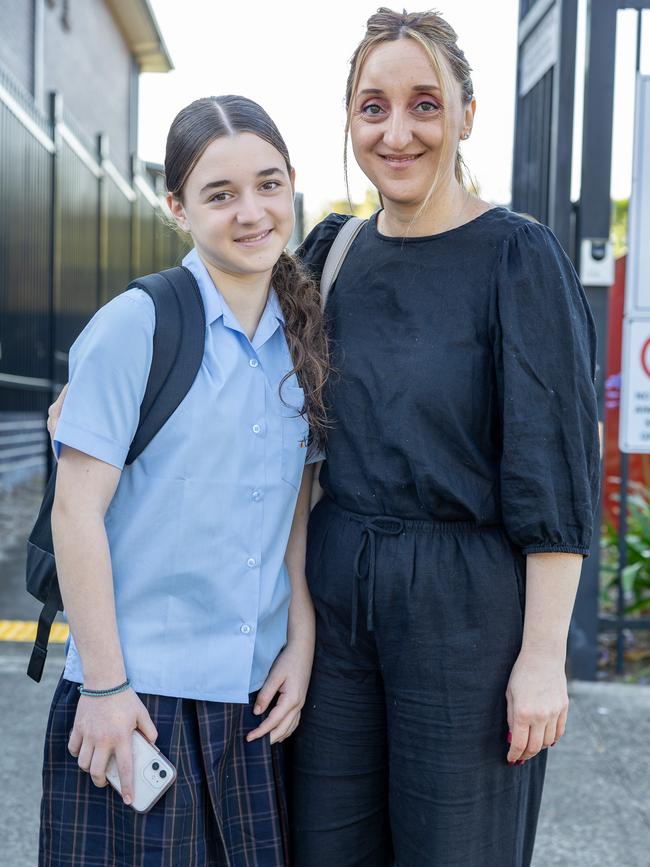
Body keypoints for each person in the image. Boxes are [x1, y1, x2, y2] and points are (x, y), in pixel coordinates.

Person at [287, 8, 600, 867]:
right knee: (323, 850)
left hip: (465, 610)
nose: (398, 131)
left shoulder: (518, 259)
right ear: (350, 118)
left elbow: (557, 474)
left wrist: (542, 660)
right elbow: (236, 354)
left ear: (467, 113)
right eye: (373, 106)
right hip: (337, 598)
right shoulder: (333, 253)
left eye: (425, 103)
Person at [39, 95, 327, 867]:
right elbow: (76, 514)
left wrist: (299, 641)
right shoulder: (137, 324)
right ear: (177, 207)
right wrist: (104, 688)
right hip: (139, 699)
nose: (251, 211)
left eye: (268, 185)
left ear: (293, 185)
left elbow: (292, 512)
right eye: (220, 193)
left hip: (253, 702)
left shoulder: (300, 340)